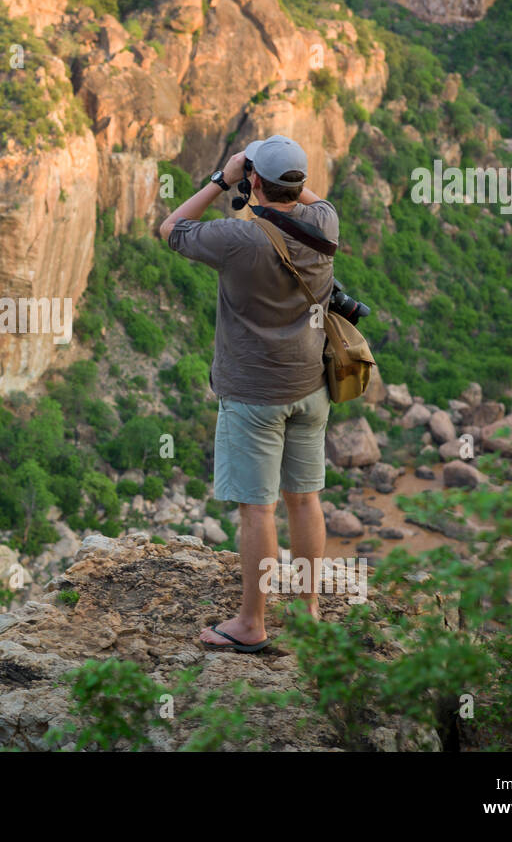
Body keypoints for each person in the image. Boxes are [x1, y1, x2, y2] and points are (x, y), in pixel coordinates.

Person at [158, 135, 339, 652]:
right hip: (311, 387)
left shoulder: (237, 240)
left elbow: (171, 227)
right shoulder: (325, 221)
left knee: (258, 510)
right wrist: (277, 184)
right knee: (304, 500)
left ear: (253, 179)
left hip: (254, 395)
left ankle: (251, 624)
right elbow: (310, 199)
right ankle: (307, 611)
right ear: (301, 183)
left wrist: (224, 178)